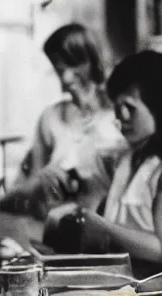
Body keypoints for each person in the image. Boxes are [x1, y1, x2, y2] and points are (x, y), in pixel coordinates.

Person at [49, 51, 162, 274]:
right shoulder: (131, 155)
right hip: (120, 281)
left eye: (130, 108)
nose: (121, 117)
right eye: (117, 106)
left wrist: (104, 228)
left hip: (152, 291)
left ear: (159, 106)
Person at [10, 24, 126, 219]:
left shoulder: (122, 115)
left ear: (93, 60)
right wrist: (40, 180)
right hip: (59, 226)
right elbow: (31, 184)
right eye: (58, 67)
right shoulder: (50, 117)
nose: (66, 77)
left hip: (110, 226)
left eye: (74, 66)